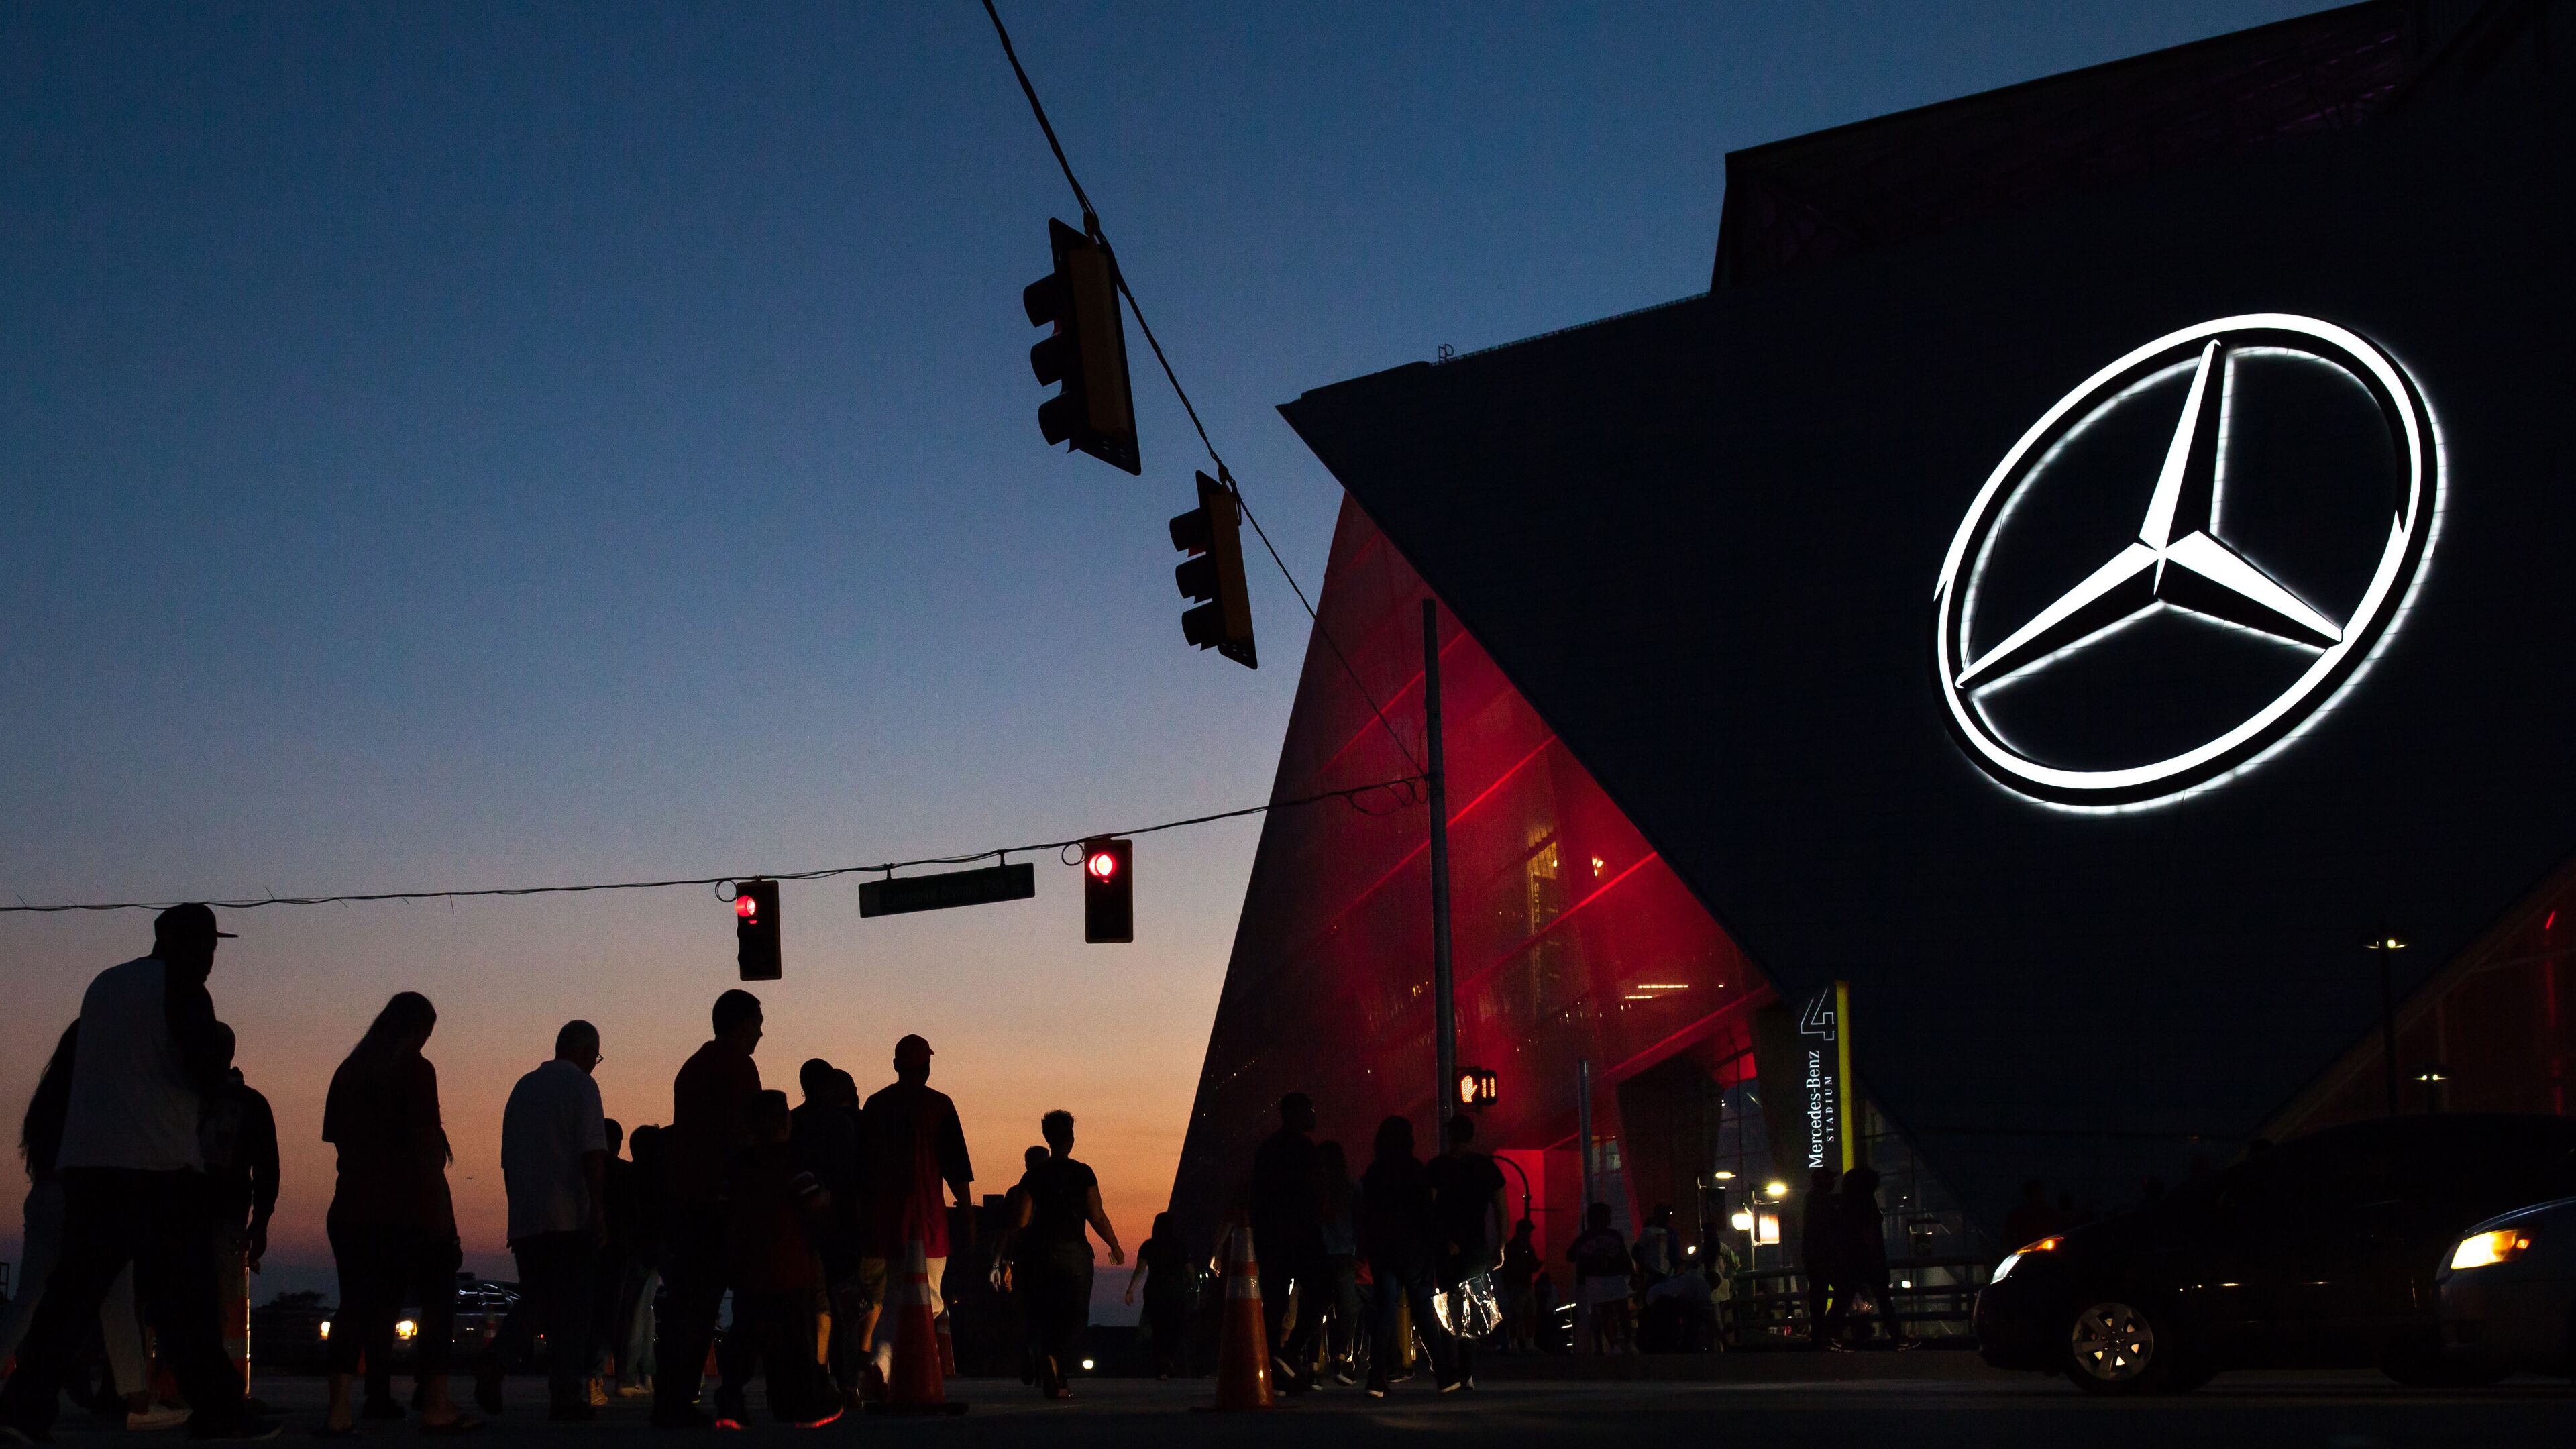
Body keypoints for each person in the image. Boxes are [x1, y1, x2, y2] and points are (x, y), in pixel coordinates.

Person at [0, 904, 274, 1443]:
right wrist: (219, 1056)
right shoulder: (183, 988)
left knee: (70, 1298)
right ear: (178, 943)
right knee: (184, 1302)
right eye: (205, 946)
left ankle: (24, 1409)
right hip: (157, 1168)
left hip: (90, 1166)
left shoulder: (103, 987)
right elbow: (201, 1068)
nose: (210, 957)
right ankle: (221, 1412)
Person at [0, 1023, 176, 1432]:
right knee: (118, 1300)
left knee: (27, 1302)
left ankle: (136, 1399)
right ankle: (137, 1401)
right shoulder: (101, 1097)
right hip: (88, 1202)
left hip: (45, 1195)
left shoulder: (51, 1098)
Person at [318, 991, 478, 1435]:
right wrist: (445, 1220)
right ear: (419, 1029)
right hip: (407, 1210)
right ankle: (436, 1403)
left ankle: (338, 1411)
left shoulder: (348, 1072)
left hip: (351, 1208)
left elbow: (340, 1142)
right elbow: (427, 1150)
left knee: (357, 1306)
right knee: (438, 1301)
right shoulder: (415, 1069)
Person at [477, 1020, 609, 1420]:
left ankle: (501, 1362)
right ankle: (563, 1392)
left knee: (538, 1297)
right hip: (566, 1216)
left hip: (526, 1216)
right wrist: (598, 1209)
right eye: (596, 1056)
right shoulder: (582, 1087)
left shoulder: (523, 1088)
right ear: (586, 1051)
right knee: (574, 1307)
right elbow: (591, 1150)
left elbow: (508, 1155)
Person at [653, 990, 765, 1429]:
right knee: (723, 1305)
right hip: (719, 1203)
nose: (761, 1031)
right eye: (757, 1022)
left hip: (685, 1202)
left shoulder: (693, 1067)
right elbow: (744, 1135)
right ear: (739, 1024)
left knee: (686, 1306)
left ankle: (672, 1397)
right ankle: (709, 1396)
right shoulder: (738, 1066)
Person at [717, 1092, 839, 1428]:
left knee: (744, 1337)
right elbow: (813, 1202)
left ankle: (730, 1400)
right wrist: (828, 1201)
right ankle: (799, 1405)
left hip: (747, 1268)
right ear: (785, 1122)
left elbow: (723, 1209)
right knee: (795, 1343)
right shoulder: (792, 1162)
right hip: (790, 1269)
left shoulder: (738, 1165)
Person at [859, 1035, 973, 1393]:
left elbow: (860, 1165)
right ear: (927, 1067)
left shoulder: (876, 1105)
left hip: (885, 1221)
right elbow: (955, 1165)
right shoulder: (939, 1105)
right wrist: (967, 1211)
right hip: (928, 1221)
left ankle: (882, 1366)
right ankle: (897, 1365)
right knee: (928, 1300)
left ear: (895, 1065)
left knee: (894, 1296)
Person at [1012, 1111, 1120, 1399]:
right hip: (1073, 1253)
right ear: (1070, 1140)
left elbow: (1021, 1221)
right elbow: (1097, 1215)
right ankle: (1053, 1358)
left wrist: (1012, 1257)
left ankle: (1053, 1370)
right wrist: (1114, 1245)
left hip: (1038, 1253)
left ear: (1047, 1139)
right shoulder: (1083, 1172)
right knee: (1075, 1317)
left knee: (1045, 1312)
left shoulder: (1033, 1175)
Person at [199, 1024, 280, 1395]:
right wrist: (260, 1221)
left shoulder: (192, 1096)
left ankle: (209, 1388)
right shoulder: (250, 1103)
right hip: (215, 1214)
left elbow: (267, 1167)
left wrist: (261, 1221)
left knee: (212, 1301)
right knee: (215, 1301)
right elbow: (267, 1168)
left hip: (217, 1215)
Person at [787, 1063, 865, 1414]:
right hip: (840, 1225)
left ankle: (811, 1378)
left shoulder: (792, 1124)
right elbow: (854, 1176)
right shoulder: (843, 1125)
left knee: (807, 1305)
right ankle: (848, 1383)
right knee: (843, 1304)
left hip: (800, 1225)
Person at [1354, 1115, 1447, 1397]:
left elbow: (1366, 1215)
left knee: (1385, 1312)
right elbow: (1426, 1214)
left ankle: (1376, 1376)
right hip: (1413, 1250)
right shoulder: (1415, 1169)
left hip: (1383, 1251)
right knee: (1423, 1310)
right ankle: (1443, 1372)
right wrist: (1434, 1248)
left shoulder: (1374, 1171)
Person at [1246, 1092, 1324, 1391]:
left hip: (1271, 1238)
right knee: (1320, 1289)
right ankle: (1287, 1355)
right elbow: (1315, 1192)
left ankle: (1273, 1365)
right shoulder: (1304, 1149)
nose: (1313, 1115)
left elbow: (1257, 1195)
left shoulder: (1268, 1149)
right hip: (1299, 1235)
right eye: (1310, 1109)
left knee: (1275, 1304)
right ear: (1295, 1114)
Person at [1425, 1114, 1506, 1389]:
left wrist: (1440, 1239)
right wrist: (1502, 1243)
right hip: (1475, 1246)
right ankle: (1467, 1372)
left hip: (1446, 1246)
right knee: (1472, 1304)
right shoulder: (1486, 1167)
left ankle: (1450, 1366)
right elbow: (1500, 1208)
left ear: (1450, 1136)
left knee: (1448, 1304)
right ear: (1472, 1136)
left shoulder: (1437, 1167)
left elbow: (1429, 1208)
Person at [612, 1124, 667, 1399]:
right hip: (648, 1250)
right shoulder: (655, 1178)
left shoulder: (629, 1175)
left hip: (636, 1250)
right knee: (641, 1315)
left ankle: (639, 1373)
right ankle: (633, 1374)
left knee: (640, 1313)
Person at [1123, 1212, 1195, 1380]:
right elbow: (1190, 1269)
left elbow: (1140, 1269)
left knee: (1158, 1329)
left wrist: (1130, 1290)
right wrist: (1192, 1284)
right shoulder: (1179, 1246)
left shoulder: (1148, 1246)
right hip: (1176, 1292)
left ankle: (1161, 1364)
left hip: (1155, 1292)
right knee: (1175, 1328)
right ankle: (1169, 1360)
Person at [1315, 1140, 1360, 1383]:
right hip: (1345, 1254)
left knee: (1315, 1308)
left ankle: (1311, 1364)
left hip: (1322, 1255)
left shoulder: (1317, 1190)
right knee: (1347, 1308)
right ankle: (1341, 1359)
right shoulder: (1350, 1188)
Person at [1565, 1202, 1634, 1355]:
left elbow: (1624, 1256)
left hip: (1609, 1278)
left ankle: (1622, 1343)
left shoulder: (1606, 1237)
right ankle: (1612, 1344)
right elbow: (1570, 1255)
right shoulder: (1588, 1238)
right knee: (1606, 1313)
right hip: (1597, 1280)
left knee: (1618, 1312)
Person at [1799, 1166, 1850, 1349]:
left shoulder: (1812, 1199)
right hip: (1824, 1258)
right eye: (1831, 1179)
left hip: (1815, 1258)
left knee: (1818, 1296)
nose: (1834, 1183)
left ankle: (1820, 1333)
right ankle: (1826, 1329)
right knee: (1844, 1289)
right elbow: (1831, 1229)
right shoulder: (1822, 1201)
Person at [1495, 1219, 1540, 1354]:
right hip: (1517, 1286)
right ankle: (1516, 1343)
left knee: (1528, 1314)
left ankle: (1524, 1342)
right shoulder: (1515, 1248)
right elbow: (1510, 1268)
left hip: (1524, 1285)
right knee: (1518, 1314)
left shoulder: (1523, 1247)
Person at [2001, 1179, 2053, 1253]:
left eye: (2041, 1192)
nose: (2042, 1195)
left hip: (2046, 1253)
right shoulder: (2017, 1215)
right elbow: (2010, 1238)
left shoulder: (2049, 1213)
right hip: (2025, 1254)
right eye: (2037, 1192)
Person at [1633, 1204, 1678, 1288]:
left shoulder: (1672, 1232)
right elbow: (1636, 1252)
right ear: (1657, 1214)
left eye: (1668, 1213)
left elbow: (1675, 1252)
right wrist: (1649, 1269)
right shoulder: (1648, 1232)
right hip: (1654, 1276)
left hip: (1671, 1274)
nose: (1667, 1215)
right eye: (1664, 1213)